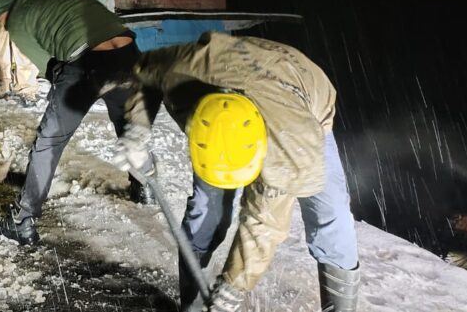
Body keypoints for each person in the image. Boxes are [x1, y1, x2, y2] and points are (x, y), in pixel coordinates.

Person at [117, 32, 360, 312]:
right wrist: (137, 128)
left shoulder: (291, 147)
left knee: (330, 216)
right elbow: (146, 69)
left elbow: (264, 224)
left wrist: (235, 284)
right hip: (230, 74)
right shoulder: (182, 73)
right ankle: (193, 304)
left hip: (302, 97)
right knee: (207, 210)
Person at [0, 0, 139, 245]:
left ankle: (22, 221)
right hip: (129, 51)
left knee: (49, 141)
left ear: (3, 11)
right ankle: (143, 186)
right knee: (128, 126)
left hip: (87, 60)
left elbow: (52, 69)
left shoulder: (18, 21)